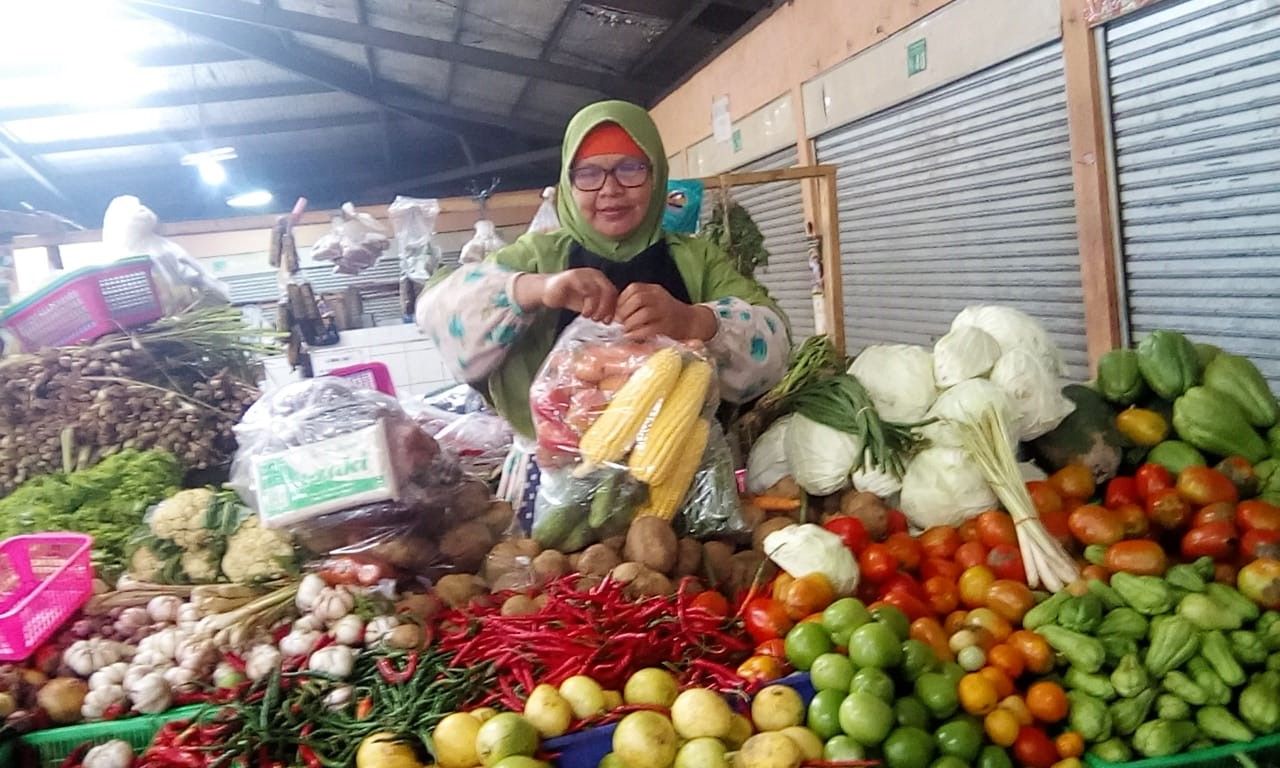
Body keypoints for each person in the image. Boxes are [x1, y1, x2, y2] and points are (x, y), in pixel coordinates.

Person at [417, 100, 791, 439]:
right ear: (568, 182)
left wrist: (694, 322)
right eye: (589, 173)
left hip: (682, 475)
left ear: (657, 175)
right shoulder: (537, 256)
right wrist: (536, 289)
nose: (610, 189)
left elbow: (775, 347)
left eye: (630, 169)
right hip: (554, 479)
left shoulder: (696, 260)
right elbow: (438, 313)